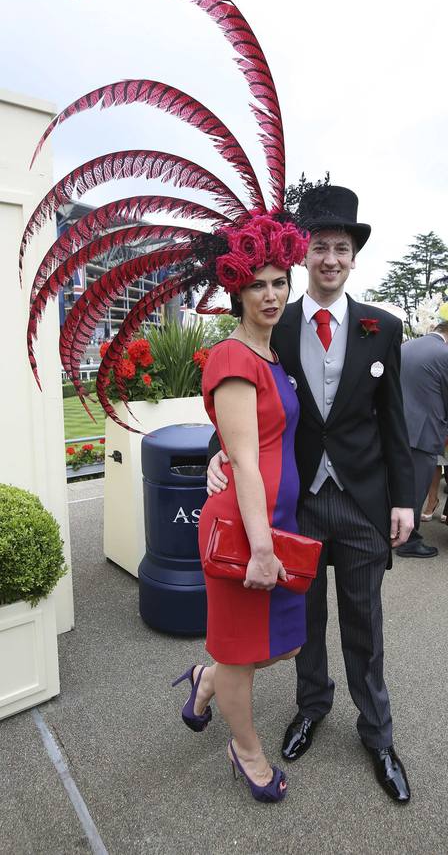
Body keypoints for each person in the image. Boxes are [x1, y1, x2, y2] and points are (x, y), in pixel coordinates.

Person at [207, 185, 415, 804]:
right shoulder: (277, 320)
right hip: (297, 506)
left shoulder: (385, 327)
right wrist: (218, 453)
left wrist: (404, 499)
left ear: (354, 257)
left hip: (361, 503)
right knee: (306, 621)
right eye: (320, 246)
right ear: (305, 257)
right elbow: (247, 407)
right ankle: (311, 707)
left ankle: (377, 733)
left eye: (341, 247)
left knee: (365, 623)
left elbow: (393, 421)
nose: (330, 257)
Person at [172, 213, 309, 804]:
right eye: (258, 283)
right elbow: (246, 462)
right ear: (237, 289)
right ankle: (246, 752)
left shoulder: (271, 356)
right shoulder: (233, 358)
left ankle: (206, 680)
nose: (271, 294)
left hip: (278, 524)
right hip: (244, 529)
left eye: (279, 280)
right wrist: (259, 548)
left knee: (286, 644)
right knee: (241, 653)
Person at [397, 318, 448, 557]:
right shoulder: (443, 353)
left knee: (396, 485)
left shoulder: (407, 346)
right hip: (424, 430)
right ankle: (408, 540)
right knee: (416, 488)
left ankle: (392, 531)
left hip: (396, 427)